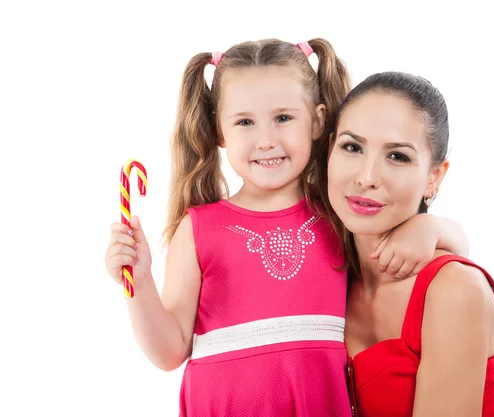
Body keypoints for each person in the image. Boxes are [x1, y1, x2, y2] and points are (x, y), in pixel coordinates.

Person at [104, 39, 469, 416]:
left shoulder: (338, 214)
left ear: (316, 120)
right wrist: (140, 283)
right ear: (219, 132)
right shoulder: (199, 228)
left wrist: (431, 227)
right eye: (245, 122)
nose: (266, 140)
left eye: (283, 118)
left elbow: (455, 251)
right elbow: (168, 352)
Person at [324, 71, 494, 417]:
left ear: (434, 177)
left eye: (397, 156)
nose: (366, 177)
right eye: (352, 147)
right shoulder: (322, 274)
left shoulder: (454, 290)